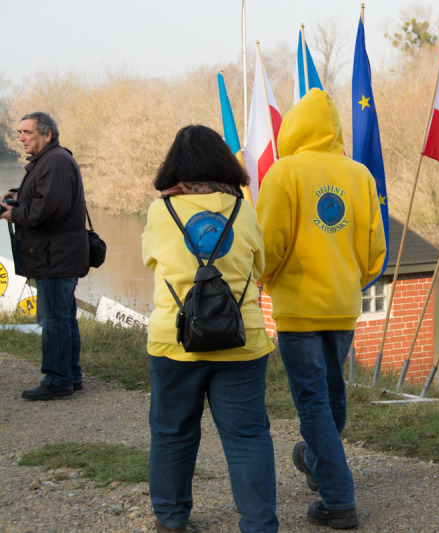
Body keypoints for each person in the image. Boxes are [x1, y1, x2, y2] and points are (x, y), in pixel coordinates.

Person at [255, 88, 386, 530]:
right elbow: (375, 250)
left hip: (297, 308)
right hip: (343, 306)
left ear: (294, 126)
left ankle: (339, 500)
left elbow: (267, 244)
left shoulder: (283, 173)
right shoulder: (361, 176)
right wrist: (349, 281)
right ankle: (313, 457)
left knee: (313, 403)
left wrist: (268, 280)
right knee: (331, 397)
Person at [142, 125, 278, 533]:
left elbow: (151, 261)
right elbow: (260, 269)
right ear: (222, 162)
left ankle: (171, 519)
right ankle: (258, 524)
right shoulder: (244, 208)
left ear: (174, 167)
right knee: (248, 436)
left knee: (171, 432)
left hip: (174, 342)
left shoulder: (160, 211)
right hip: (242, 340)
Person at [1, 112, 89, 401]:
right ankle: (70, 375)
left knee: (53, 318)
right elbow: (42, 197)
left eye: (27, 132)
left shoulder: (56, 161)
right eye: (20, 132)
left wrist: (13, 212)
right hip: (56, 252)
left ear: (47, 134)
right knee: (62, 316)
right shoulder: (50, 160)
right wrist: (17, 195)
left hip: (56, 254)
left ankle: (57, 378)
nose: (21, 138)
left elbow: (47, 209)